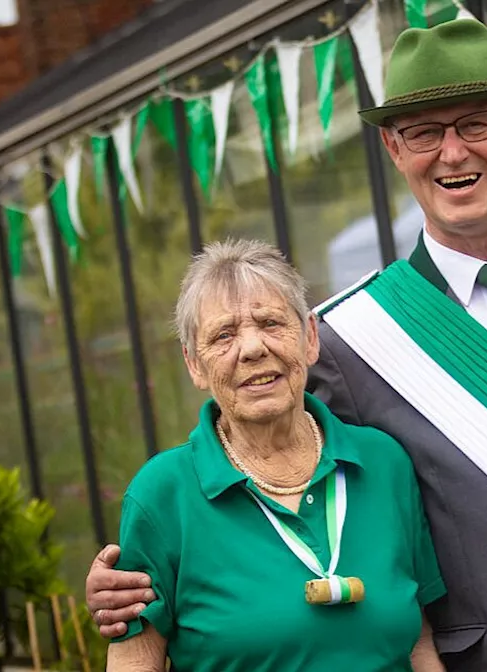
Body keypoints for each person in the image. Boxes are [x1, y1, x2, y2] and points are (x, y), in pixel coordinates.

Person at [86, 18, 487, 672]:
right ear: (393, 149)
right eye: (424, 134)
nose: (453, 153)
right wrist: (138, 581)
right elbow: (282, 478)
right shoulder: (353, 342)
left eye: (475, 125)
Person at [103, 240, 445, 671]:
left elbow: (419, 643)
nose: (252, 348)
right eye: (223, 335)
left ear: (310, 339)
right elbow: (134, 661)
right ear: (194, 365)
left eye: (270, 323)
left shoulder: (383, 463)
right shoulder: (163, 495)